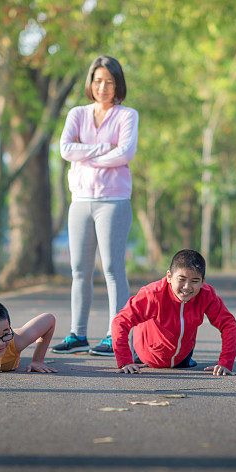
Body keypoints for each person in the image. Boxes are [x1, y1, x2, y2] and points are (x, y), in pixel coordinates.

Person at [51, 55, 138, 357]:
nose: (103, 87)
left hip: (113, 201)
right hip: (80, 202)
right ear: (91, 82)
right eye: (98, 81)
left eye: (110, 82)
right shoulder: (77, 113)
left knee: (113, 269)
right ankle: (78, 334)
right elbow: (65, 149)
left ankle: (116, 336)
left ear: (118, 85)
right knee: (79, 270)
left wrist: (84, 155)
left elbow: (125, 153)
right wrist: (102, 149)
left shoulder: (127, 116)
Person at [112, 249, 236, 376]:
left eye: (194, 281)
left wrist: (225, 362)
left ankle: (182, 359)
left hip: (183, 359)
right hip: (145, 356)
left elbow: (228, 324)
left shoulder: (206, 295)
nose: (187, 287)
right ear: (169, 276)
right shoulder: (152, 294)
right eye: (181, 279)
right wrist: (125, 361)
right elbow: (120, 321)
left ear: (202, 281)